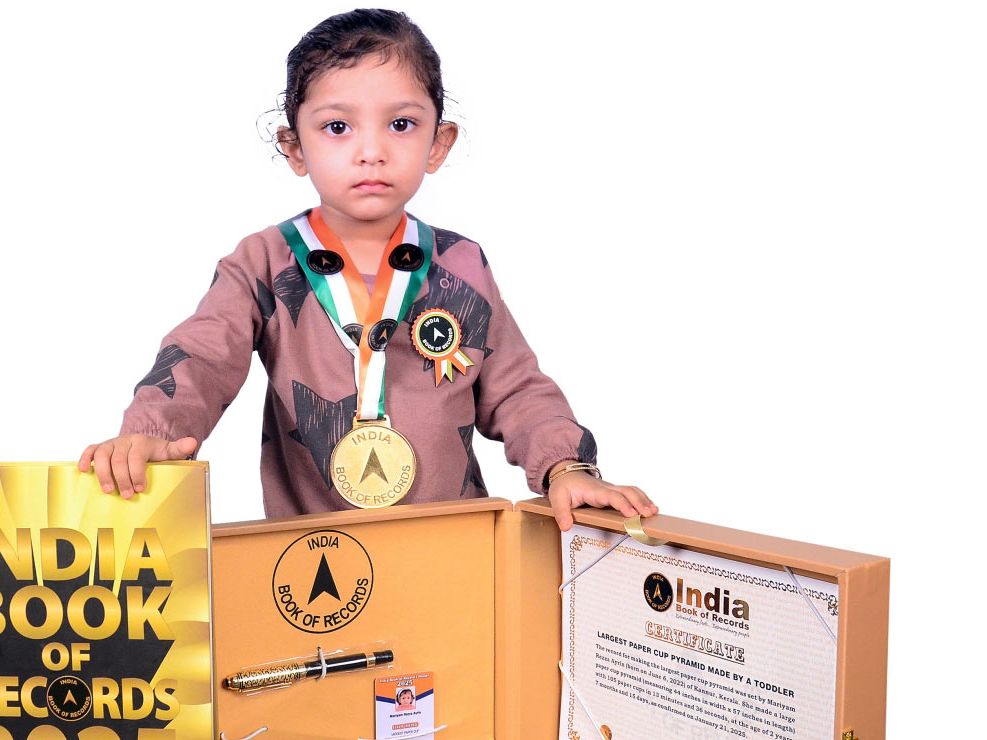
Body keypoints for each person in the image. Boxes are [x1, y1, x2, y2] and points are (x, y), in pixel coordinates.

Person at [79, 8, 656, 531]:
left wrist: (566, 467)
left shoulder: (462, 264)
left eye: (400, 124)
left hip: (455, 550)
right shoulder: (264, 261)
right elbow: (204, 354)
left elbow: (517, 389)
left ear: (439, 143)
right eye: (338, 127)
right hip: (312, 559)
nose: (371, 151)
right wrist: (148, 433)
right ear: (295, 148)